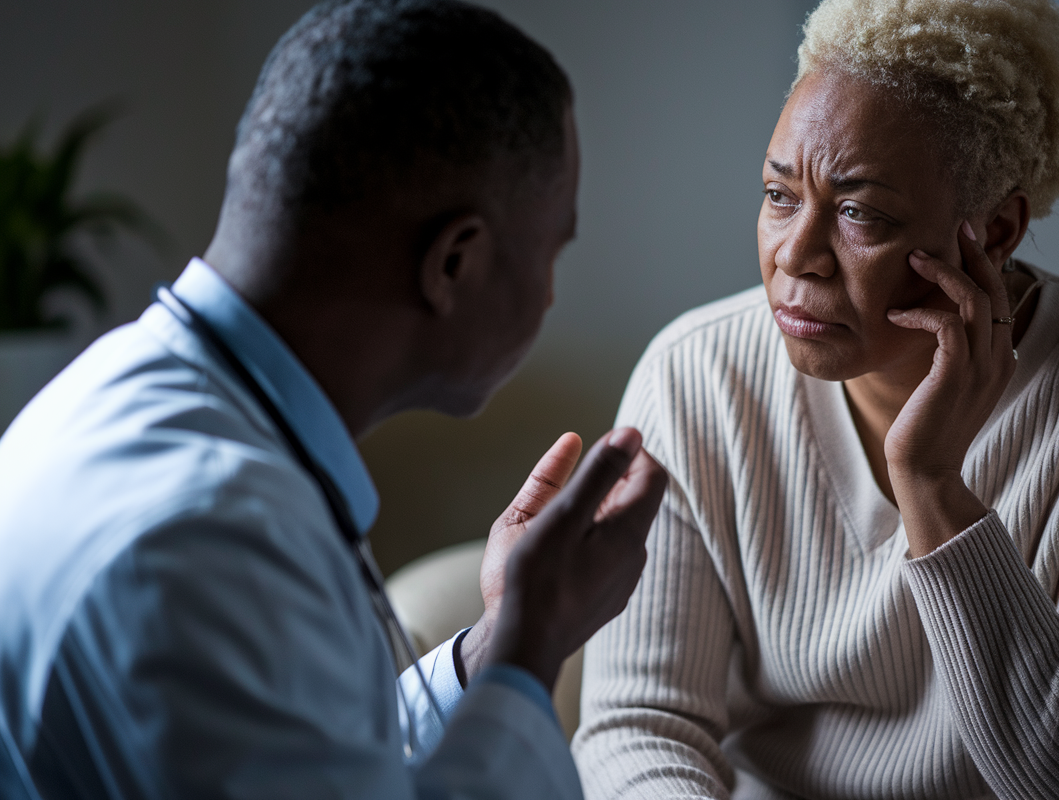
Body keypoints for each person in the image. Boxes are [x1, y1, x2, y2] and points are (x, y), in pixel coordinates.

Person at [0, 1, 667, 798]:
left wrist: (491, 644)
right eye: (553, 248)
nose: (553, 296)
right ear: (454, 263)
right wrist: (535, 645)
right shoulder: (210, 539)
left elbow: (314, 757)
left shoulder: (125, 397)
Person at [572, 1, 1059, 798]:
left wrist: (933, 487)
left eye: (861, 213)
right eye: (780, 195)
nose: (798, 255)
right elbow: (638, 724)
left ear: (992, 234)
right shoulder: (695, 377)